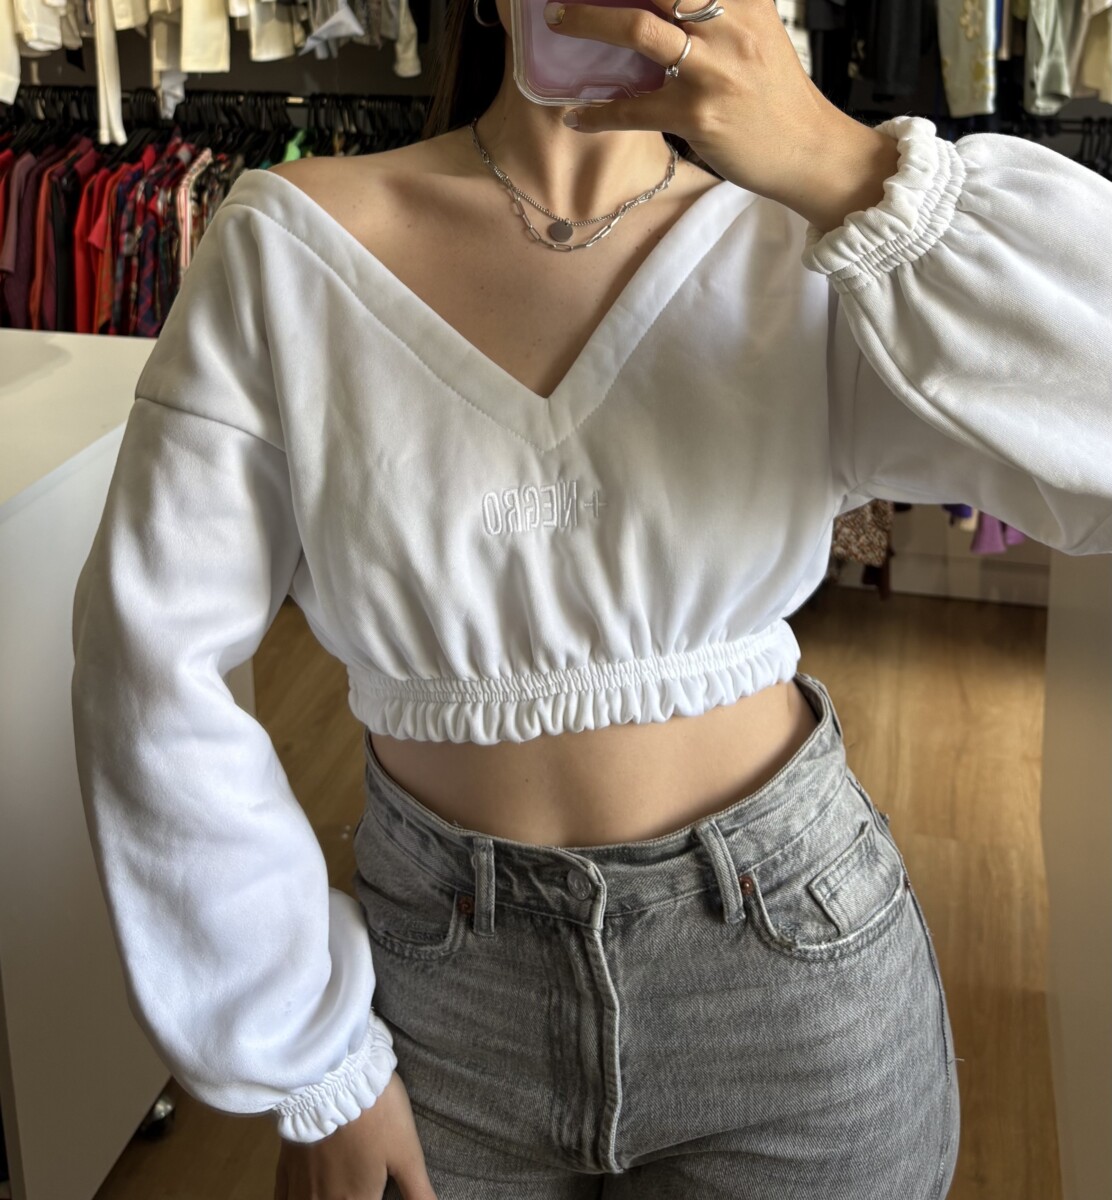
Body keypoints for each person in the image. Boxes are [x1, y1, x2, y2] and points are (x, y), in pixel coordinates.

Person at [69, 0, 1112, 1195]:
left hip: (792, 972)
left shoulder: (805, 238)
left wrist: (847, 166)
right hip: (441, 995)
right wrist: (311, 1061)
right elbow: (147, 669)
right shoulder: (287, 243)